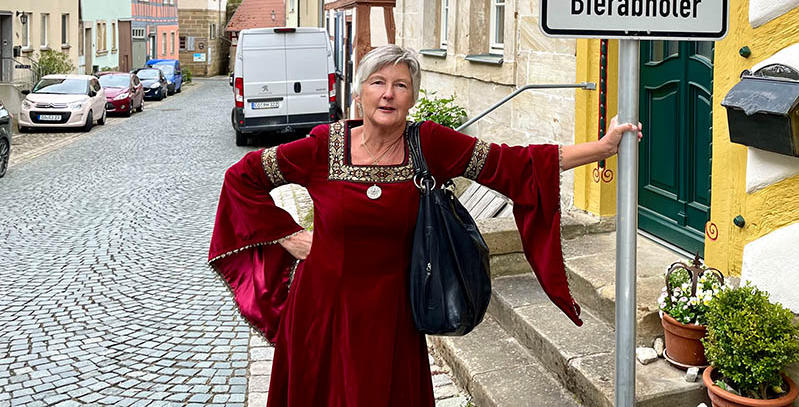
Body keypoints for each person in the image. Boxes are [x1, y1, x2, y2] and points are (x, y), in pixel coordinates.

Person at [209, 45, 640, 406]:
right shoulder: (324, 146)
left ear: (413, 97)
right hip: (321, 310)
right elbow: (243, 178)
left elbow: (511, 165)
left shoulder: (428, 143)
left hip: (392, 314)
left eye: (401, 85)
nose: (388, 94)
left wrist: (600, 148)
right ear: (359, 93)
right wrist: (290, 235)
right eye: (378, 82)